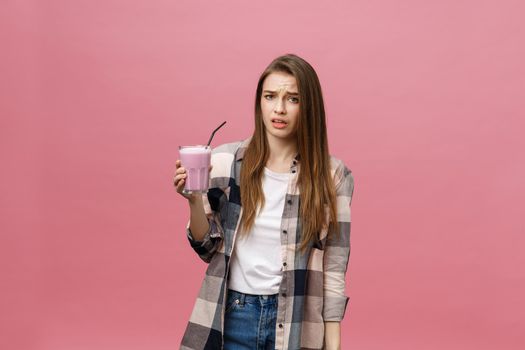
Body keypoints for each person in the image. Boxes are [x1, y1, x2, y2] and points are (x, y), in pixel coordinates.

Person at [173, 54, 355, 350]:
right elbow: (207, 248)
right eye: (270, 96)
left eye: (292, 99)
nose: (279, 108)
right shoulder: (224, 162)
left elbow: (334, 266)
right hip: (233, 316)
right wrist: (193, 199)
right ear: (260, 101)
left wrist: (332, 345)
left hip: (295, 323)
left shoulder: (332, 176)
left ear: (308, 106)